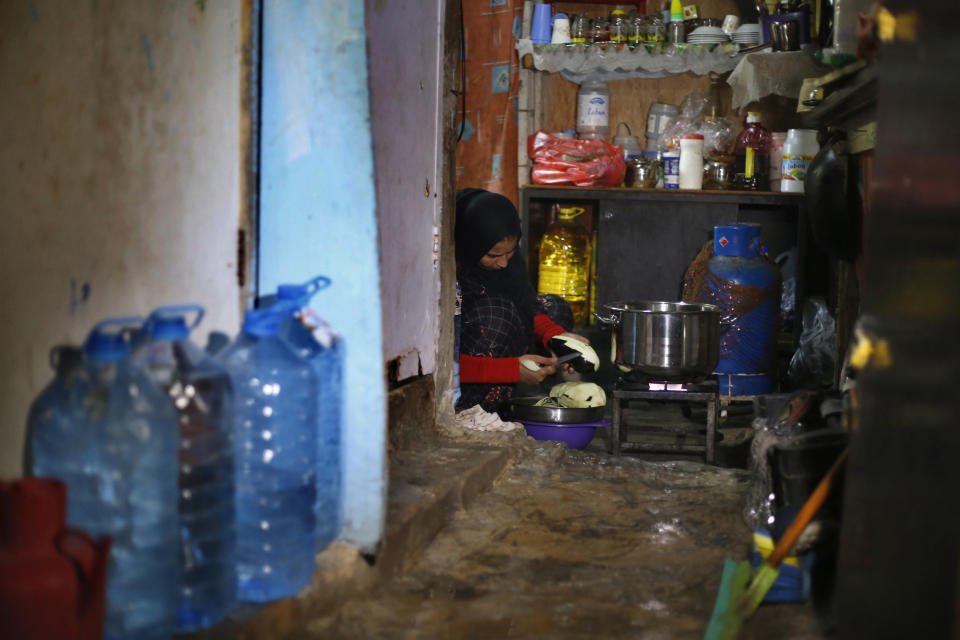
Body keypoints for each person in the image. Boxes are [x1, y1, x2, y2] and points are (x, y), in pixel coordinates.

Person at [455, 188, 590, 416]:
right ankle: (478, 414)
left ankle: (525, 401)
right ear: (470, 245)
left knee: (554, 307)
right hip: (464, 367)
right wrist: (509, 370)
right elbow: (442, 365)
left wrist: (555, 338)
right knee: (497, 314)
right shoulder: (444, 268)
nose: (504, 264)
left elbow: (524, 302)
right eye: (493, 256)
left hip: (501, 344)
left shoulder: (505, 262)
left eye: (510, 252)